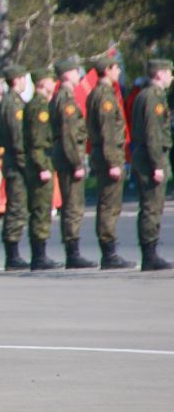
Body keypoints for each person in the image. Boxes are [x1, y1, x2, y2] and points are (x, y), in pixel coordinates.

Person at [85, 56, 132, 269]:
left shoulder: (101, 93)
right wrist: (113, 161)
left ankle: (109, 249)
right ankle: (109, 252)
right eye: (116, 68)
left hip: (105, 155)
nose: (119, 72)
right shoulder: (103, 96)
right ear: (108, 70)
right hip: (108, 156)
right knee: (109, 205)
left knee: (110, 204)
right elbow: (107, 132)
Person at [50, 57, 95, 268]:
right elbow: (69, 134)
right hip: (69, 158)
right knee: (73, 207)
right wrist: (77, 163)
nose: (80, 76)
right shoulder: (65, 99)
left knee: (72, 206)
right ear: (68, 74)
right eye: (77, 72)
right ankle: (72, 252)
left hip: (66, 156)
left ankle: (72, 250)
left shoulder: (61, 97)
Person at [130, 58, 172, 271]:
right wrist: (157, 164)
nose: (171, 77)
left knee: (151, 206)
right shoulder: (152, 98)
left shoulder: (146, 95)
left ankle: (150, 252)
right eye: (169, 72)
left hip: (145, 156)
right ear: (159, 74)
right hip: (150, 159)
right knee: (151, 207)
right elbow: (152, 133)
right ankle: (150, 255)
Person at [23, 67, 62, 270]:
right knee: (40, 209)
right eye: (50, 80)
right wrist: (41, 166)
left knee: (43, 208)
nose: (53, 83)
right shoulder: (38, 107)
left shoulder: (39, 105)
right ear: (42, 83)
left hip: (43, 162)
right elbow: (36, 141)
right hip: (40, 163)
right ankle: (39, 256)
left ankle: (40, 254)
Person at [0, 65, 30, 270]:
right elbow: (18, 138)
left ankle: (13, 253)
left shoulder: (7, 103)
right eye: (23, 79)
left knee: (17, 206)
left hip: (12, 159)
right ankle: (12, 255)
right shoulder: (13, 104)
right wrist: (26, 164)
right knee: (16, 207)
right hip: (17, 161)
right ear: (16, 80)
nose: (25, 83)